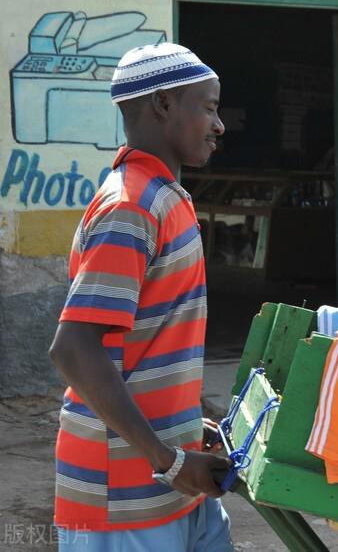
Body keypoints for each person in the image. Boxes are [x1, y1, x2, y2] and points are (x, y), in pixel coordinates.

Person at [48, 43, 233, 550]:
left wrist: (192, 420)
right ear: (164, 104)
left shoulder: (166, 199)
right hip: (123, 499)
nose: (219, 126)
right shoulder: (131, 207)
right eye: (210, 107)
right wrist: (168, 460)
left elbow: (152, 341)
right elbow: (74, 349)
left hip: (179, 487)